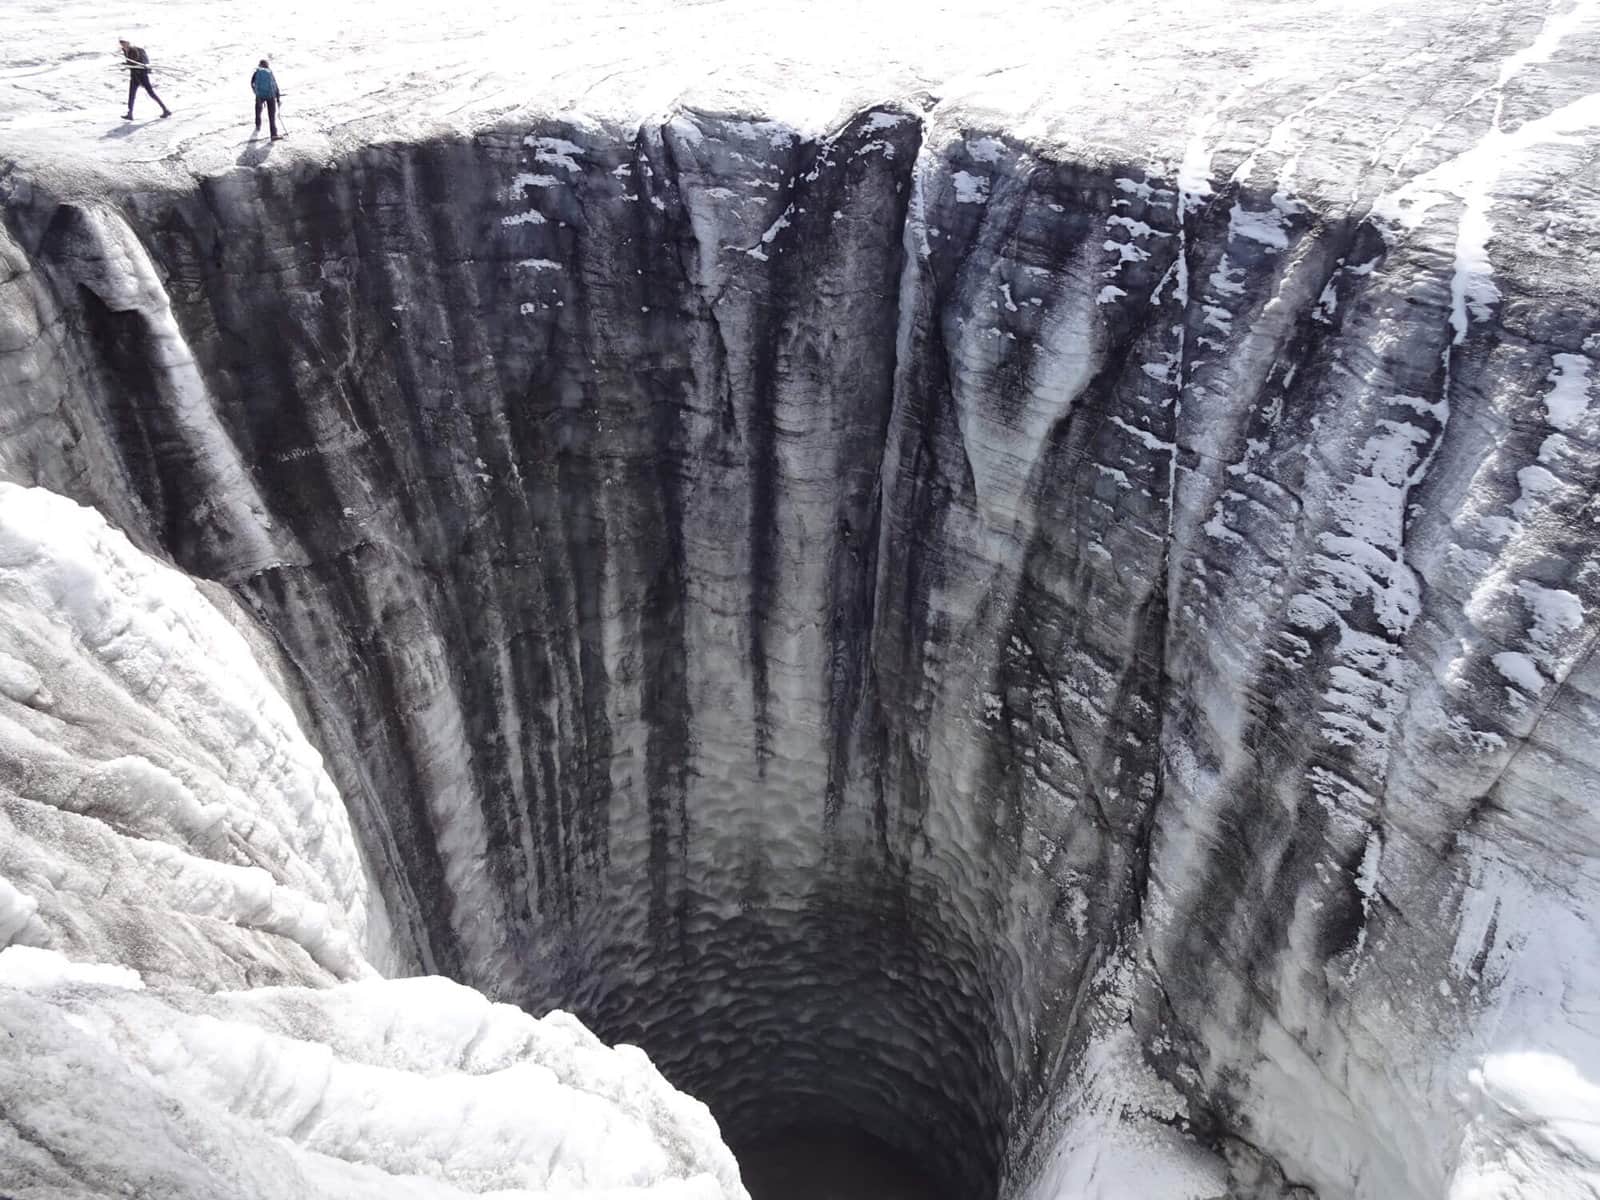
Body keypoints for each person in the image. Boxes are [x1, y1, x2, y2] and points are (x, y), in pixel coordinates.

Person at [118, 38, 171, 120]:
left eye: (124, 43)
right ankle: (130, 113)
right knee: (131, 95)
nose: (123, 45)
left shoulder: (133, 50)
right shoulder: (125, 51)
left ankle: (165, 110)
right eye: (121, 43)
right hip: (134, 76)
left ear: (128, 42)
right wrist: (126, 65)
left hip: (142, 75)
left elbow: (134, 61)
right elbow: (131, 63)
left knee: (151, 93)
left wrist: (127, 65)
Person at [251, 59, 282, 141]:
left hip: (260, 96)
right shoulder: (269, 72)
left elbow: (252, 83)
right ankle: (274, 135)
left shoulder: (257, 72)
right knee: (272, 116)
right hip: (271, 96)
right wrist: (278, 98)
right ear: (267, 65)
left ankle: (258, 125)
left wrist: (256, 93)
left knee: (258, 111)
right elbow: (275, 85)